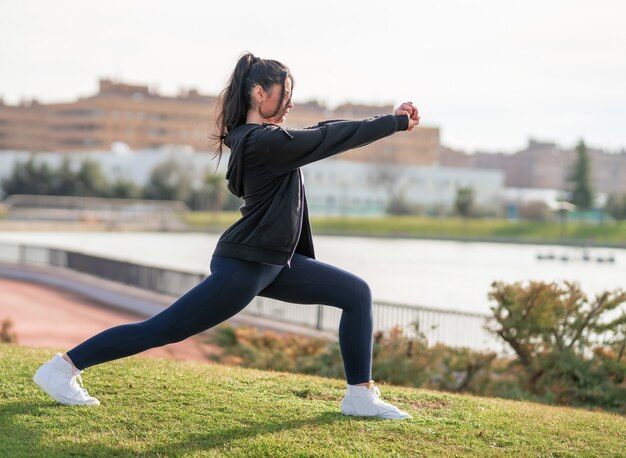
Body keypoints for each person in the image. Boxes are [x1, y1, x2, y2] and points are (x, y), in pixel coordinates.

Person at [33, 52, 420, 420]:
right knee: (164, 329)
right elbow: (330, 137)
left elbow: (321, 130)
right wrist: (394, 122)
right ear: (259, 93)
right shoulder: (263, 143)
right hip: (246, 264)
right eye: (284, 94)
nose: (289, 103)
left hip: (274, 262)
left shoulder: (259, 140)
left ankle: (359, 395)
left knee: (355, 294)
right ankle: (62, 367)